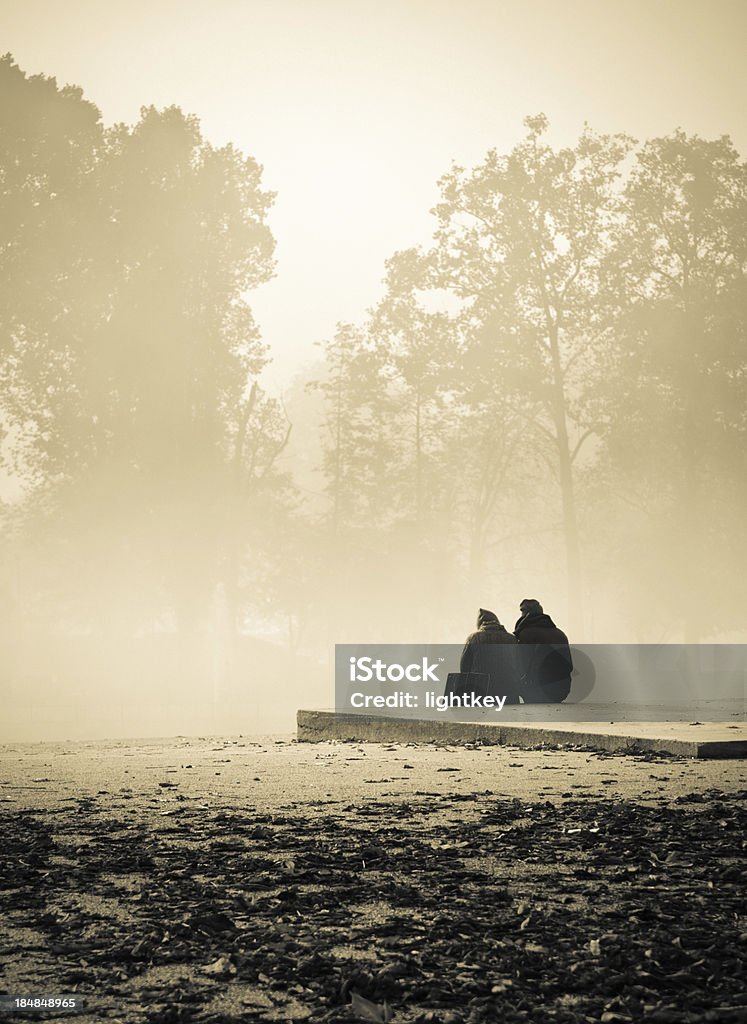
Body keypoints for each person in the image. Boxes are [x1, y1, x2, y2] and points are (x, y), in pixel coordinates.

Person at [513, 599, 573, 703]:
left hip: (535, 691)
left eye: (522, 611)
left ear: (526, 612)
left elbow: (519, 666)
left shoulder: (525, 634)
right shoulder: (559, 634)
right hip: (561, 690)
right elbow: (569, 666)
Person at [460, 608, 522, 705]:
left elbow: (464, 668)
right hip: (509, 692)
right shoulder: (511, 639)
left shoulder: (473, 638)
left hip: (481, 693)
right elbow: (520, 665)